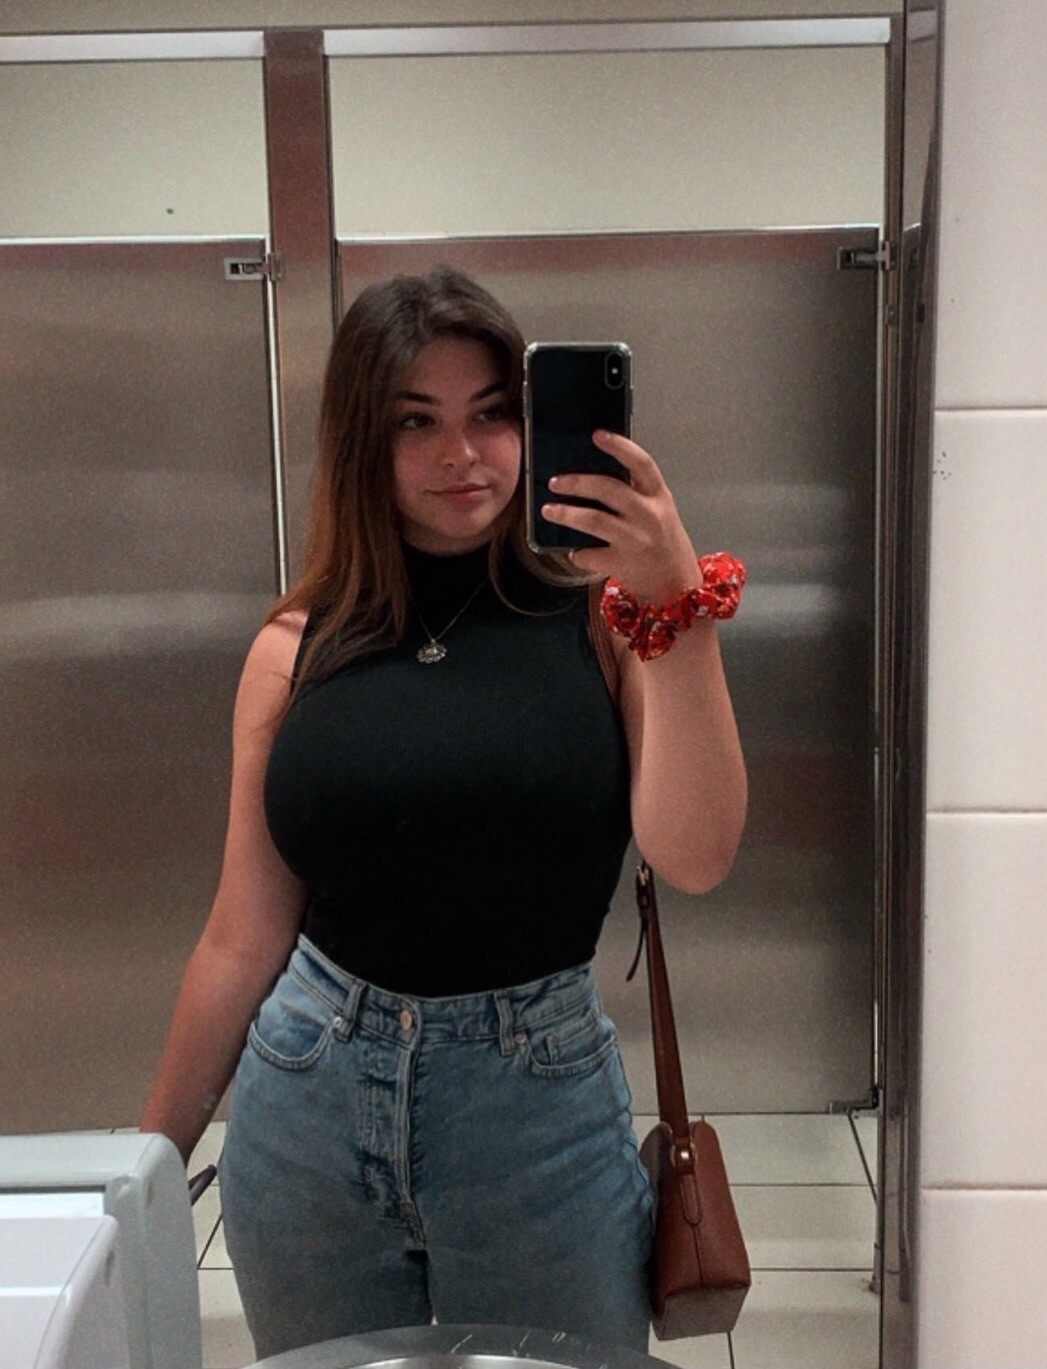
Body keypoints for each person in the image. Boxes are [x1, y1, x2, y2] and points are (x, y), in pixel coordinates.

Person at [140, 266, 747, 1360]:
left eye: (490, 414)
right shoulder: (293, 649)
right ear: (360, 442)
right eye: (415, 421)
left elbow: (696, 855)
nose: (461, 455)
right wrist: (147, 1163)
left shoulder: (606, 625)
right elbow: (241, 932)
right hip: (307, 1098)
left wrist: (675, 604)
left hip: (537, 1110)